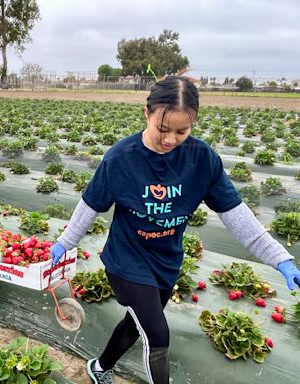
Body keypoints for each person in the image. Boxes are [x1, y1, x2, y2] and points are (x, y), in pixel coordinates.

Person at [50, 76, 300, 384]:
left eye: (182, 131)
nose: (170, 140)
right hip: (127, 260)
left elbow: (236, 215)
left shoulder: (201, 160)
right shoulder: (121, 159)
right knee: (158, 336)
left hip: (166, 261)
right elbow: (90, 204)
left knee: (136, 323)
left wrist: (280, 258)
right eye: (163, 129)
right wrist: (64, 242)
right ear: (147, 114)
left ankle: (99, 368)